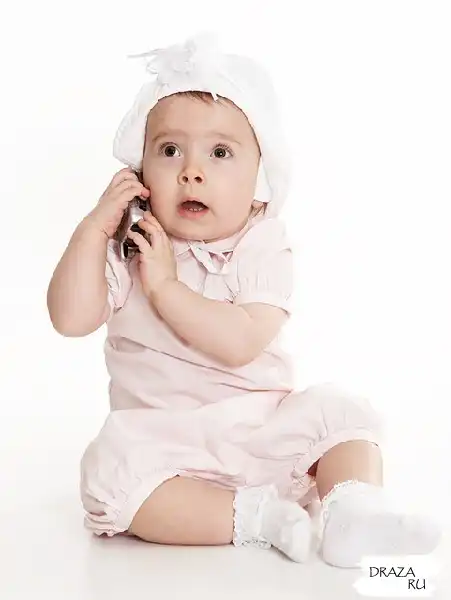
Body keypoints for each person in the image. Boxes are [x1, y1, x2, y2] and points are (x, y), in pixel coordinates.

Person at [46, 33, 441, 568]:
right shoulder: (132, 247)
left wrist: (166, 288)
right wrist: (93, 230)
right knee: (109, 471)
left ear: (259, 176)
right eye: (169, 150)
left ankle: (354, 511)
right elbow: (69, 318)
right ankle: (258, 519)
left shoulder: (261, 243)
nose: (192, 171)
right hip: (164, 445)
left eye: (220, 153)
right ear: (138, 174)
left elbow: (241, 342)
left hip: (262, 433)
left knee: (339, 413)